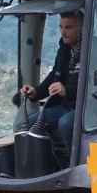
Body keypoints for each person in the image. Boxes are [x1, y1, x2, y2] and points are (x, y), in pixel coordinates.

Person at [18, 10, 82, 166]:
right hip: (65, 104)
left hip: (86, 106)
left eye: (68, 28)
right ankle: (49, 167)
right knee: (27, 125)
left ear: (81, 29)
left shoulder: (93, 49)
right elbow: (55, 75)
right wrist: (36, 92)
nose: (63, 32)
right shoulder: (65, 49)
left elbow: (95, 84)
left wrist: (67, 90)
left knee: (66, 123)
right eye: (61, 27)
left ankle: (76, 167)